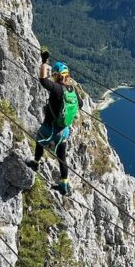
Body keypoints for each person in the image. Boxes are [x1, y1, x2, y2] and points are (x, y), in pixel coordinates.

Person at [27, 50, 83, 195]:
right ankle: (64, 185)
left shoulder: (57, 88)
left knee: (39, 141)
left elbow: (42, 80)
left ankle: (35, 163)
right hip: (63, 131)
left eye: (55, 75)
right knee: (62, 158)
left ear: (57, 76)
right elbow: (81, 105)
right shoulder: (73, 90)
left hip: (49, 128)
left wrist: (44, 62)